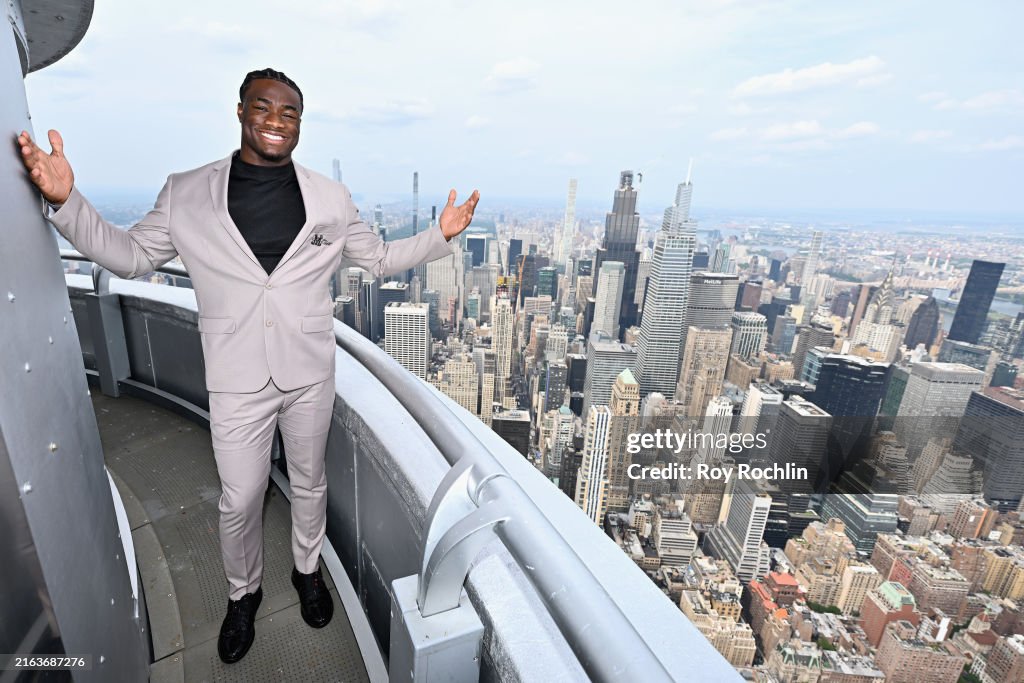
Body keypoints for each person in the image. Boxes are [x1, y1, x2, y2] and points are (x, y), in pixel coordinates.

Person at [17, 67, 480, 665]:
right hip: (236, 378)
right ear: (240, 112)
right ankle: (243, 595)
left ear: (299, 126)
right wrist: (65, 201)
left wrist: (439, 236)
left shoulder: (329, 199)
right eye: (264, 108)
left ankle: (307, 571)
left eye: (289, 114)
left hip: (310, 370)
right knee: (240, 500)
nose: (276, 122)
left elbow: (380, 260)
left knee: (310, 483)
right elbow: (131, 256)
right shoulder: (188, 192)